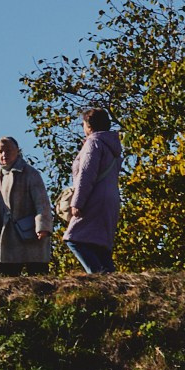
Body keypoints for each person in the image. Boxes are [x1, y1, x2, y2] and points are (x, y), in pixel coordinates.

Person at [64, 107, 123, 275]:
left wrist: (77, 202)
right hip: (110, 200)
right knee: (99, 245)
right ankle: (113, 281)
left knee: (74, 239)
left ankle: (100, 278)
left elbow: (86, 174)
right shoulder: (112, 146)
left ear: (89, 126)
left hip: (94, 199)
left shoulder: (93, 142)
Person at [0, 135, 52, 278]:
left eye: (8, 150)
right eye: (1, 151)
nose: (4, 155)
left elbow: (42, 202)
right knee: (8, 278)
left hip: (30, 234)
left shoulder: (30, 173)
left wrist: (43, 227)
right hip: (7, 236)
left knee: (38, 276)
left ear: (17, 151)